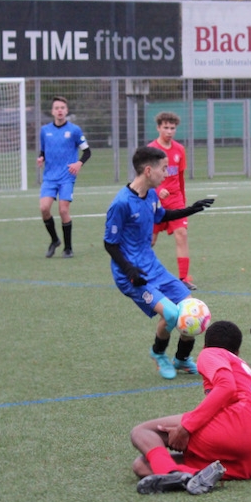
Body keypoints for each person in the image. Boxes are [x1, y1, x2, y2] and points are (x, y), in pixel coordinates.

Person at [104, 145, 214, 380]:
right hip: (131, 275)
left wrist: (190, 210)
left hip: (152, 267)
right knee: (173, 315)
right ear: (147, 170)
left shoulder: (151, 195)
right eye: (163, 169)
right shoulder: (121, 203)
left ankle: (182, 359)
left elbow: (161, 216)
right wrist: (130, 270)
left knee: (190, 307)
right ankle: (159, 354)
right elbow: (110, 244)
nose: (166, 174)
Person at [129, 320, 251, 495]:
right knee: (142, 465)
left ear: (205, 345)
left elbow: (226, 387)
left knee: (141, 432)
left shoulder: (211, 353)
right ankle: (190, 476)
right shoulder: (242, 368)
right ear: (237, 351)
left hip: (238, 426)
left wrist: (186, 428)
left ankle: (171, 473)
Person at [148, 111, 197, 291]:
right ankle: (137, 272)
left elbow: (181, 178)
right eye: (165, 127)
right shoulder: (151, 150)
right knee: (149, 240)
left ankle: (183, 278)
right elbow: (146, 178)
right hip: (155, 201)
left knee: (181, 234)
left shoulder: (179, 150)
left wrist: (183, 202)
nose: (169, 131)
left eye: (172, 128)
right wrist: (159, 190)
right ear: (158, 128)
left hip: (175, 200)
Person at [37, 96, 90, 259]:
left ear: (66, 111)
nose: (59, 110)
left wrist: (78, 163)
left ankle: (68, 248)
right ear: (52, 111)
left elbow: (87, 151)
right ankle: (54, 240)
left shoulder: (74, 130)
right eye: (56, 108)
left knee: (63, 210)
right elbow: (43, 151)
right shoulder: (45, 131)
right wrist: (41, 158)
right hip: (49, 177)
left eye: (62, 108)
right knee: (44, 209)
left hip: (67, 176)